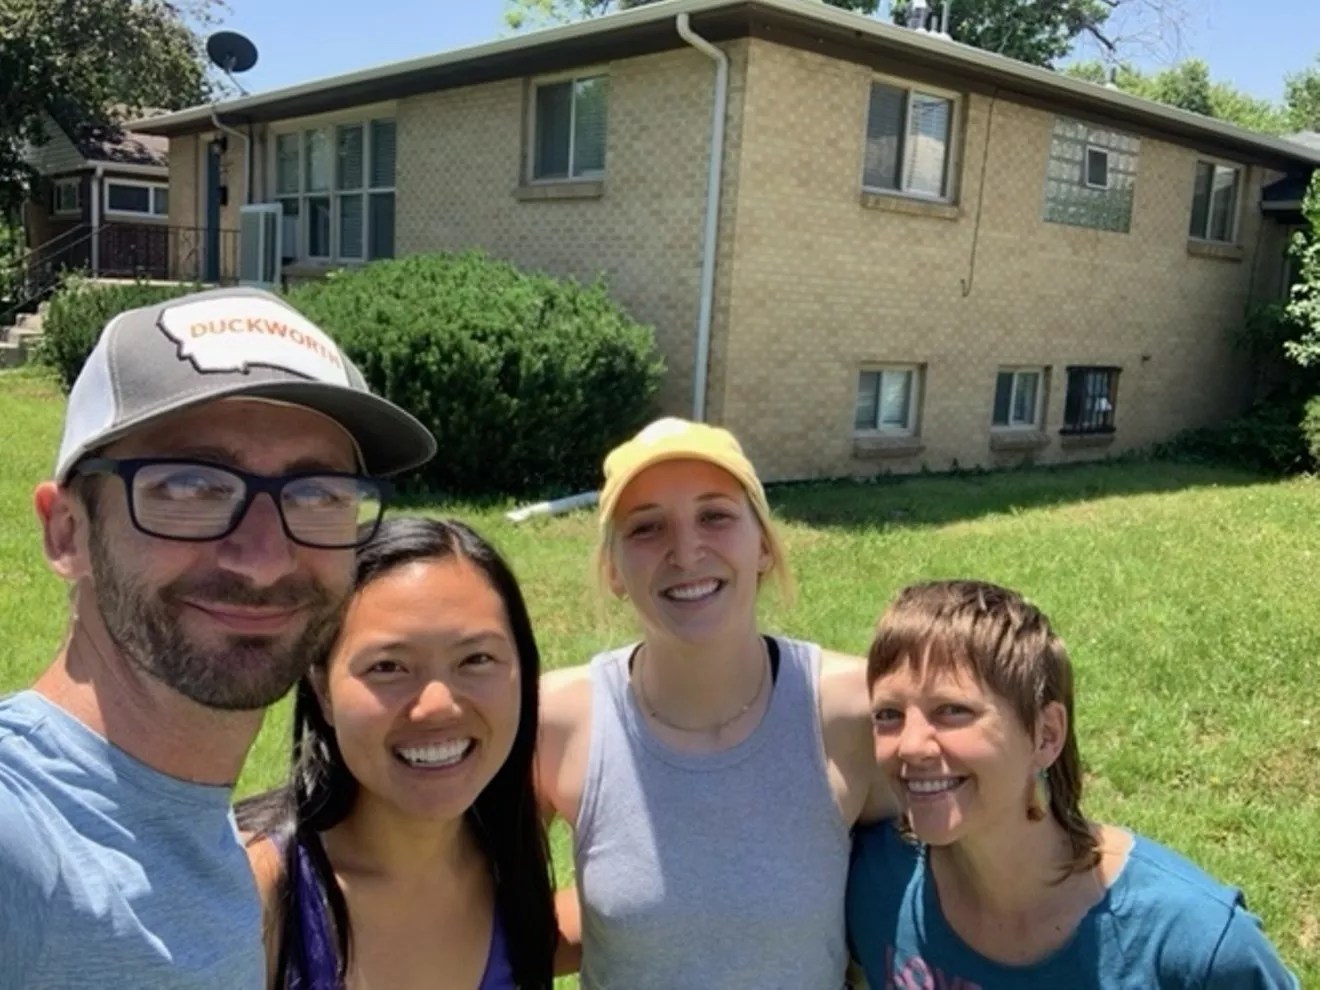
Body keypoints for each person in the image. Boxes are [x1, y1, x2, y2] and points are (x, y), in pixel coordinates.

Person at [0, 285, 436, 989]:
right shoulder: (22, 843)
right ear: (68, 532)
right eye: (189, 488)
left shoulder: (207, 838)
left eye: (318, 494)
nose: (263, 559)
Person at [536, 416, 895, 989]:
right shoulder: (557, 720)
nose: (685, 551)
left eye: (715, 516)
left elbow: (954, 886)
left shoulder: (855, 710)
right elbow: (480, 914)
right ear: (613, 572)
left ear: (764, 548)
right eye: (646, 528)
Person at [848, 579, 1299, 989]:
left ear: (1046, 735)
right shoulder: (873, 881)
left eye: (953, 711)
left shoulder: (1191, 944)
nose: (910, 746)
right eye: (889, 715)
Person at [237, 517, 557, 989]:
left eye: (476, 659)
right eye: (388, 667)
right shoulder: (255, 893)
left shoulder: (509, 867)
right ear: (322, 689)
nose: (437, 706)